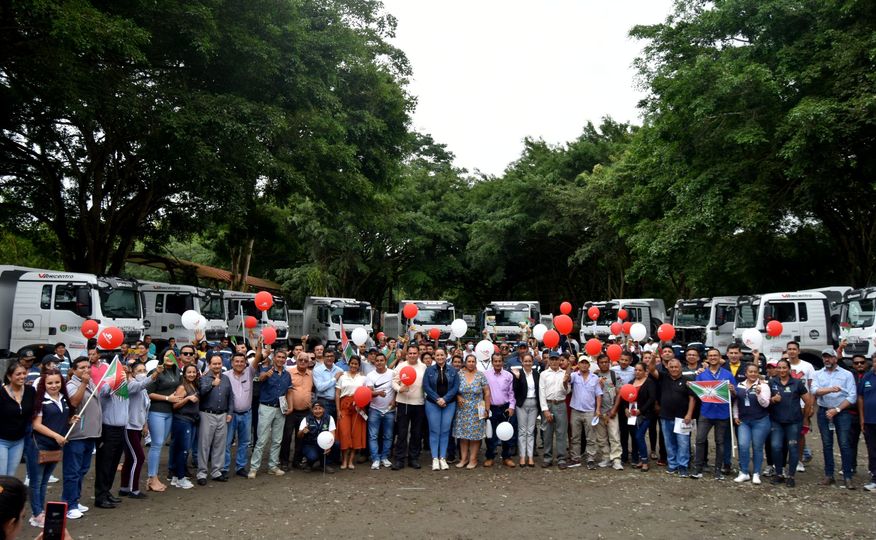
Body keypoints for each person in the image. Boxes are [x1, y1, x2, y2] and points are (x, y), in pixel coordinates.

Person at [93, 356, 148, 510]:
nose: (124, 374)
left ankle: (107, 491)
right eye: (121, 372)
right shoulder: (108, 386)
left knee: (113, 463)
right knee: (105, 463)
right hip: (108, 430)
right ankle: (100, 496)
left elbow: (140, 385)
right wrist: (114, 380)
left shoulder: (125, 389)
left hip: (121, 429)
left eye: (125, 372)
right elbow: (103, 393)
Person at [28, 370, 72, 528]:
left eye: (57, 382)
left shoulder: (63, 398)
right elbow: (36, 425)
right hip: (39, 445)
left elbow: (59, 419)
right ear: (43, 384)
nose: (54, 385)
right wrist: (56, 436)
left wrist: (71, 420)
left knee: (44, 481)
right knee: (36, 481)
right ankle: (37, 513)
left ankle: (39, 511)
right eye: (50, 383)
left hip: (55, 446)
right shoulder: (40, 400)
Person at [812, 348, 857, 489]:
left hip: (842, 412)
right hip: (824, 411)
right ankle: (829, 475)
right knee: (827, 444)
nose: (827, 359)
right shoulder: (818, 374)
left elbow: (852, 396)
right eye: (824, 357)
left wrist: (837, 409)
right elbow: (814, 391)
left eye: (829, 357)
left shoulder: (847, 374)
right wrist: (831, 389)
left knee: (844, 444)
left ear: (835, 358)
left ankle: (847, 476)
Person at [691, 348, 736, 480]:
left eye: (715, 355)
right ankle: (698, 468)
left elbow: (735, 394)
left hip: (722, 413)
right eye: (710, 356)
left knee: (720, 442)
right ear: (707, 358)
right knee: (700, 440)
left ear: (720, 357)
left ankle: (718, 470)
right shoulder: (702, 374)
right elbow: (697, 393)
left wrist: (732, 390)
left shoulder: (728, 374)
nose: (713, 358)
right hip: (706, 412)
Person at [248, 344, 292, 478]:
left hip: (280, 409)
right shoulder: (266, 370)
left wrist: (290, 406)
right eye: (279, 357)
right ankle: (254, 467)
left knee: (277, 440)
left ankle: (273, 466)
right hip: (266, 408)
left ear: (285, 359)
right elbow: (260, 378)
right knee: (261, 439)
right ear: (274, 358)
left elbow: (288, 392)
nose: (281, 359)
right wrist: (266, 375)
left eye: (283, 357)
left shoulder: (287, 375)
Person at [647, 357, 696, 477]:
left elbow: (692, 399)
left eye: (676, 367)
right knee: (669, 443)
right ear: (667, 368)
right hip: (665, 416)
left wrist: (689, 414)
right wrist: (653, 357)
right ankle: (672, 464)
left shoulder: (688, 380)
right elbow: (651, 368)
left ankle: (683, 466)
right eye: (671, 367)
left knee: (683, 443)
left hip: (682, 419)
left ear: (680, 368)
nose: (674, 369)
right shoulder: (663, 377)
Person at [768, 358, 812, 487]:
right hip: (776, 421)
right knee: (776, 447)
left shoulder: (797, 383)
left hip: (793, 422)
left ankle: (791, 476)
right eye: (779, 368)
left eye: (784, 368)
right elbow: (764, 400)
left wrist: (805, 418)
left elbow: (808, 401)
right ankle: (779, 474)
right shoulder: (772, 382)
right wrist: (772, 399)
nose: (782, 370)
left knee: (793, 448)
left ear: (789, 369)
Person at [144, 348, 181, 492]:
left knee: (159, 445)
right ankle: (152, 478)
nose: (170, 357)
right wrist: (167, 398)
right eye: (167, 355)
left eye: (172, 355)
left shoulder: (176, 371)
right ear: (162, 356)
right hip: (156, 411)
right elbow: (147, 392)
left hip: (169, 413)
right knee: (157, 444)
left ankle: (154, 477)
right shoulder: (156, 371)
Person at [197, 354, 233, 485]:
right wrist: (212, 384)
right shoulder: (204, 378)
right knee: (204, 445)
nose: (217, 366)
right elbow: (201, 392)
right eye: (214, 364)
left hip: (222, 415)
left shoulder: (226, 378)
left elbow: (230, 397)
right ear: (209, 364)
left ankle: (217, 472)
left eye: (219, 363)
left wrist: (230, 412)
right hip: (207, 414)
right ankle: (202, 473)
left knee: (220, 444)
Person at [733, 364, 771, 484]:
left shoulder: (764, 386)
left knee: (757, 446)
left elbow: (766, 404)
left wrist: (759, 394)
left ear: (758, 373)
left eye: (755, 372)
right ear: (746, 373)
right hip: (744, 421)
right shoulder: (739, 385)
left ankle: (756, 473)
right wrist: (735, 416)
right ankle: (744, 472)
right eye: (750, 372)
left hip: (760, 420)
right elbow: (736, 402)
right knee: (743, 445)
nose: (753, 374)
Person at [391, 344, 427, 470]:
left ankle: (414, 458)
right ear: (407, 355)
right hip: (403, 403)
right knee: (402, 432)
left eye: (414, 353)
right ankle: (399, 459)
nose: (412, 355)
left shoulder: (423, 367)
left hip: (419, 404)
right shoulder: (401, 366)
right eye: (410, 353)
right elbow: (394, 381)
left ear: (418, 354)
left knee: (416, 433)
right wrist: (399, 388)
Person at [423, 348, 459, 471]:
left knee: (445, 431)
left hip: (449, 404)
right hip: (433, 403)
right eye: (437, 355)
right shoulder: (429, 370)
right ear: (434, 356)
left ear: (446, 355)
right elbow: (426, 386)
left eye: (442, 355)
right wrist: (438, 399)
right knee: (434, 430)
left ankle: (442, 458)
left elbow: (455, 387)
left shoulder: (453, 370)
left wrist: (445, 399)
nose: (440, 357)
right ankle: (435, 458)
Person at [453, 355, 490, 469]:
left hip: (478, 409)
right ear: (465, 362)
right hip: (462, 410)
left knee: (475, 436)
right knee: (463, 436)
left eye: (473, 361)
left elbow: (487, 392)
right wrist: (458, 396)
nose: (471, 363)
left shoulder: (480, 375)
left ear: (476, 363)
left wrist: (487, 409)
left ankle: (473, 459)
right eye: (469, 361)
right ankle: (464, 459)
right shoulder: (459, 375)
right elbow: (453, 389)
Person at [223, 352, 256, 477]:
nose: (239, 363)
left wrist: (259, 346)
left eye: (242, 361)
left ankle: (240, 467)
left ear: (245, 363)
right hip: (231, 414)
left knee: (244, 442)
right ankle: (224, 468)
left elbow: (258, 358)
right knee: (226, 442)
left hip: (246, 414)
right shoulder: (225, 375)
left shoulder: (249, 372)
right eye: (236, 361)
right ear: (232, 363)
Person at [1, 362, 36, 476]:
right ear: (9, 376)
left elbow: (37, 411)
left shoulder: (30, 391)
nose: (22, 376)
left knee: (10, 476)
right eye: (18, 374)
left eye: (24, 373)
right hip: (1, 440)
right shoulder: (1, 393)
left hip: (19, 441)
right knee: (2, 476)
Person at [120, 362, 149, 499]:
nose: (142, 373)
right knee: (139, 457)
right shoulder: (131, 384)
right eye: (139, 370)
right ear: (133, 372)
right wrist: (155, 374)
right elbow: (139, 385)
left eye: (144, 370)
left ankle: (124, 487)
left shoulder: (144, 389)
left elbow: (144, 408)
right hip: (129, 426)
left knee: (130, 458)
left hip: (138, 426)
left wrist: (145, 424)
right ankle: (134, 489)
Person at [621, 363, 657, 472]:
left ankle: (645, 461)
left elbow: (651, 399)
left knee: (639, 436)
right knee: (636, 437)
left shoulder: (649, 382)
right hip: (633, 414)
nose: (637, 372)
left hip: (646, 414)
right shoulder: (631, 382)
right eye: (636, 370)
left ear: (645, 371)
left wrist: (641, 410)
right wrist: (625, 408)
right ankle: (641, 458)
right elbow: (625, 397)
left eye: (640, 370)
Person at [568, 356, 603, 469]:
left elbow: (598, 394)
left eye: (586, 363)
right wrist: (570, 363)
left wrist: (598, 409)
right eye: (581, 363)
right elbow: (566, 378)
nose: (584, 365)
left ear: (589, 365)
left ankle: (591, 459)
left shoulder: (595, 378)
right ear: (578, 364)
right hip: (576, 410)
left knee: (590, 437)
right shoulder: (574, 375)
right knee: (575, 437)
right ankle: (575, 458)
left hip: (589, 411)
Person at [169, 364, 200, 489]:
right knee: (183, 450)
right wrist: (187, 399)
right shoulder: (182, 387)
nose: (192, 374)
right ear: (184, 374)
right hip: (182, 421)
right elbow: (175, 406)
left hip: (191, 421)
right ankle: (181, 478)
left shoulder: (194, 385)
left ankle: (176, 477)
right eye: (189, 372)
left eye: (194, 372)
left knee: (183, 449)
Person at [281, 352, 313, 471]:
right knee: (287, 437)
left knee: (301, 437)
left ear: (309, 362)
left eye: (306, 360)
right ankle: (284, 461)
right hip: (291, 411)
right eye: (301, 360)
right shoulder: (289, 372)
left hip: (305, 411)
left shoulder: (311, 374)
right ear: (296, 360)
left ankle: (297, 461)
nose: (303, 362)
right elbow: (284, 390)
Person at [539, 352, 571, 469]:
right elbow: (541, 392)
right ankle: (547, 458)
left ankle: (561, 458)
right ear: (549, 361)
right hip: (548, 404)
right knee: (547, 433)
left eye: (556, 359)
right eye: (551, 359)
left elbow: (567, 392)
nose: (554, 361)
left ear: (559, 361)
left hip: (560, 404)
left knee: (561, 433)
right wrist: (545, 410)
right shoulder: (544, 374)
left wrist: (565, 382)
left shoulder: (564, 373)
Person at [484, 353, 516, 468]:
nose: (497, 363)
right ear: (492, 362)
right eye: (495, 361)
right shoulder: (485, 375)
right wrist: (485, 409)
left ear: (503, 362)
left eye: (499, 361)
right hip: (491, 408)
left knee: (506, 433)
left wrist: (511, 407)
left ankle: (506, 457)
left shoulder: (508, 375)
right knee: (490, 434)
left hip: (505, 407)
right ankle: (490, 457)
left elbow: (511, 393)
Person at [335, 356, 367, 470]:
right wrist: (338, 410)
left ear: (359, 365)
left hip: (358, 408)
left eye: (356, 364)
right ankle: (344, 459)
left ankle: (350, 460)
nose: (353, 365)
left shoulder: (363, 378)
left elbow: (366, 393)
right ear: (349, 364)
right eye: (352, 363)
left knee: (356, 433)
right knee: (345, 433)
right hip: (344, 406)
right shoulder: (342, 376)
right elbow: (337, 394)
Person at [593, 354, 624, 470]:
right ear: (598, 364)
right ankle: (606, 457)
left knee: (614, 436)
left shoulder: (614, 375)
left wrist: (614, 409)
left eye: (606, 362)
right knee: (601, 437)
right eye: (601, 362)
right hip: (599, 412)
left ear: (609, 362)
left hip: (611, 411)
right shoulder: (594, 376)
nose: (604, 364)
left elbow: (619, 393)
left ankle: (616, 459)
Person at [366, 353, 396, 470]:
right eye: (377, 360)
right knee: (373, 436)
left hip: (389, 410)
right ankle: (375, 459)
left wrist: (394, 400)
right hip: (374, 409)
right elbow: (369, 392)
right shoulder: (370, 375)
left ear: (385, 361)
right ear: (374, 362)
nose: (379, 362)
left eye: (381, 360)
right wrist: (378, 393)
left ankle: (384, 457)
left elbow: (396, 388)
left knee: (388, 436)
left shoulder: (392, 373)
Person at [512, 353, 540, 467]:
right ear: (522, 362)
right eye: (525, 361)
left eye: (529, 361)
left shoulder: (536, 374)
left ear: (532, 362)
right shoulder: (518, 373)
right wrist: (518, 378)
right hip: (522, 404)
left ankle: (530, 457)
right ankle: (522, 456)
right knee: (522, 431)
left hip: (534, 404)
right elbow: (515, 391)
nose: (528, 363)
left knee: (531, 431)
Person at [296, 401, 336, 473]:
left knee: (336, 445)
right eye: (315, 409)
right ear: (312, 410)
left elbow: (332, 434)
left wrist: (329, 446)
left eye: (320, 408)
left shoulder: (329, 418)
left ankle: (324, 465)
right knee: (312, 456)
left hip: (324, 444)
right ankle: (309, 464)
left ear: (323, 409)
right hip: (310, 444)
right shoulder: (306, 419)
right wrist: (302, 431)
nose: (317, 411)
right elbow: (298, 436)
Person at [858, 352, 876, 491]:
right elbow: (861, 397)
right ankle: (874, 477)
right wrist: (862, 418)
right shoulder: (867, 377)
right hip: (870, 420)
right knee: (872, 450)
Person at [312, 350, 343, 421]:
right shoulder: (317, 370)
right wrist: (334, 379)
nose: (329, 358)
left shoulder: (340, 370)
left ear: (334, 357)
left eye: (331, 356)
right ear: (323, 357)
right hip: (323, 402)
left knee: (336, 425)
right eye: (327, 356)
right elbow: (320, 387)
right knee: (325, 425)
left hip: (338, 403)